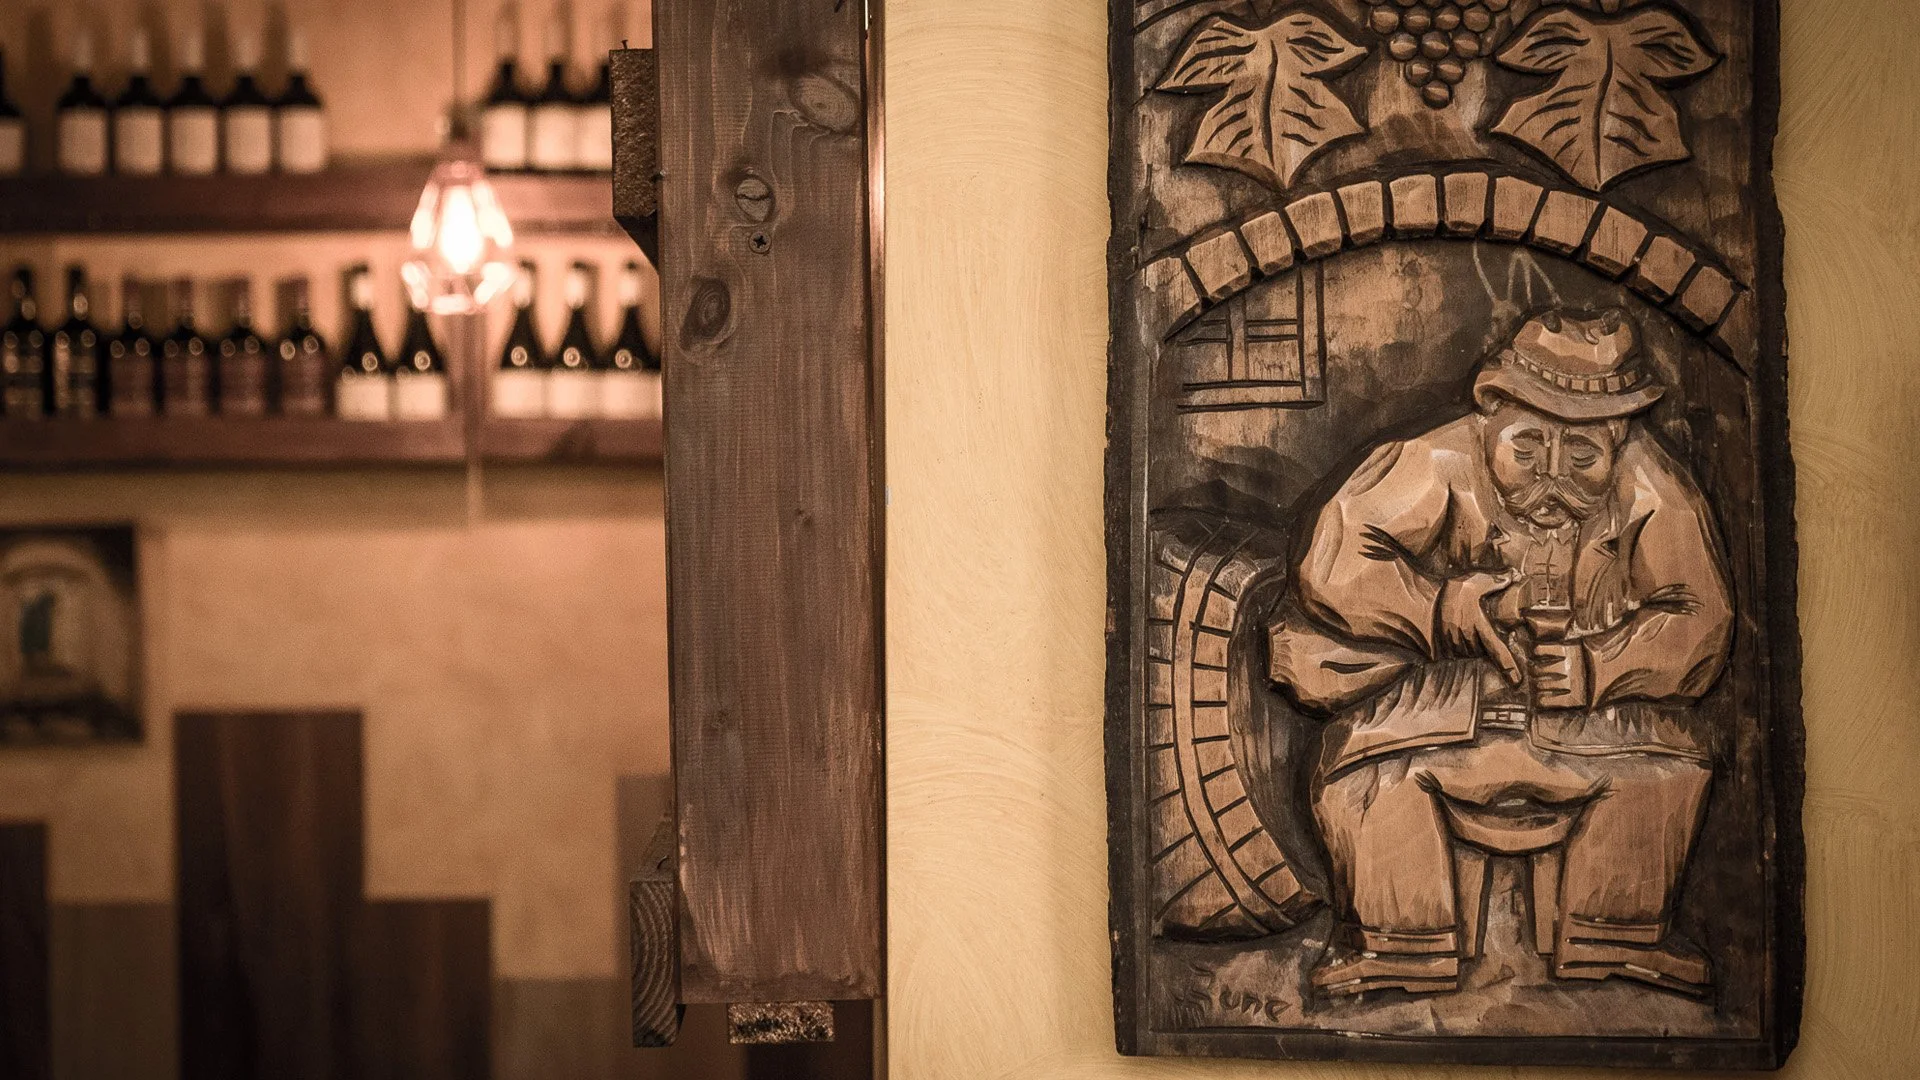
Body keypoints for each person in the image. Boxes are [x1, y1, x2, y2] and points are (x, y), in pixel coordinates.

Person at [1269, 309, 1733, 997]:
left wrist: (1599, 668)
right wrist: (1451, 610)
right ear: (1489, 412)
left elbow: (1703, 618)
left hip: (1594, 724)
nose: (1553, 477)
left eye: (1583, 457)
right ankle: (1400, 940)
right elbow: (1333, 560)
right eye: (1527, 449)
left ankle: (1614, 934)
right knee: (1369, 777)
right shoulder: (1436, 462)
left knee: (1668, 772)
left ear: (1619, 437)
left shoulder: (1652, 490)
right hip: (1443, 711)